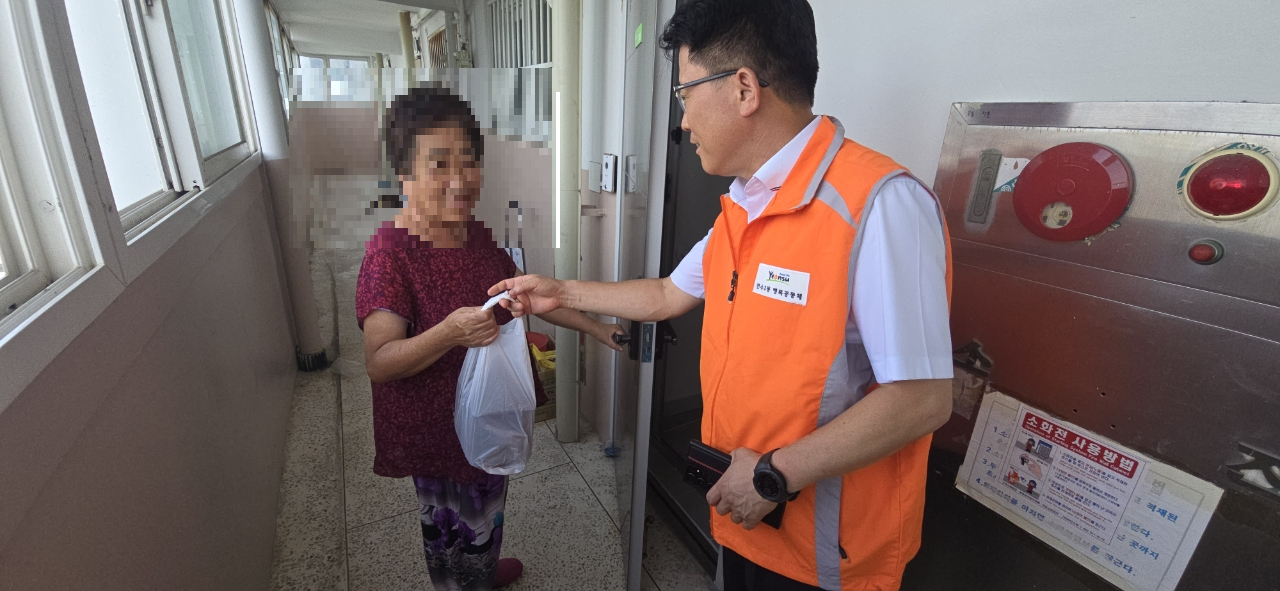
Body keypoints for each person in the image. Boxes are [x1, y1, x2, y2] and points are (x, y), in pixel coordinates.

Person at [489, 1, 953, 589]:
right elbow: (664, 295)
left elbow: (921, 400)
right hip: (748, 512)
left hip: (826, 551)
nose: (682, 122)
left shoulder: (880, 205)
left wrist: (773, 475)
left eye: (685, 96)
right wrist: (562, 291)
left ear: (743, 89)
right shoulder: (744, 205)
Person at [357, 86, 623, 591]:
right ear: (404, 174)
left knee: (486, 511)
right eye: (439, 164)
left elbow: (529, 298)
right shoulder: (390, 256)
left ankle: (483, 565)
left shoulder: (475, 235)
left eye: (469, 161)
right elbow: (380, 361)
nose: (460, 180)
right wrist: (448, 333)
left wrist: (595, 327)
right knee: (447, 530)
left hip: (486, 414)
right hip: (436, 433)